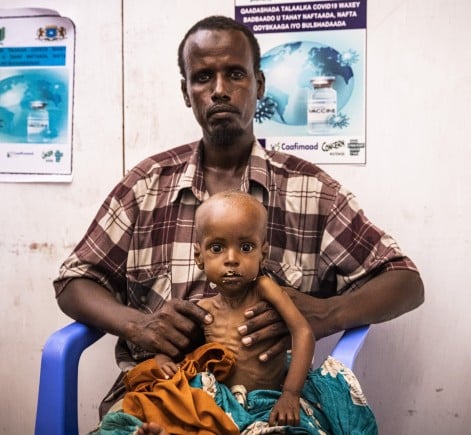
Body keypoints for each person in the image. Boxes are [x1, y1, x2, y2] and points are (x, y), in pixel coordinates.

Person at [54, 14, 424, 426]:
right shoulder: (146, 186)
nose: (219, 91)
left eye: (234, 74)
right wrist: (139, 325)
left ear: (259, 85)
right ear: (186, 92)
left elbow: (405, 281)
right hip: (162, 399)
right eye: (202, 77)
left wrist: (327, 314)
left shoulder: (309, 190)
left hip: (267, 406)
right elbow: (74, 281)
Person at [154, 190, 315, 428]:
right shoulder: (203, 310)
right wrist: (161, 358)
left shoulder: (264, 289)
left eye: (246, 247)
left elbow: (303, 333)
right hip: (219, 405)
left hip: (267, 403)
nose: (232, 259)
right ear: (199, 256)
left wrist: (290, 394)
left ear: (263, 254)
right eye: (217, 248)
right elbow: (177, 348)